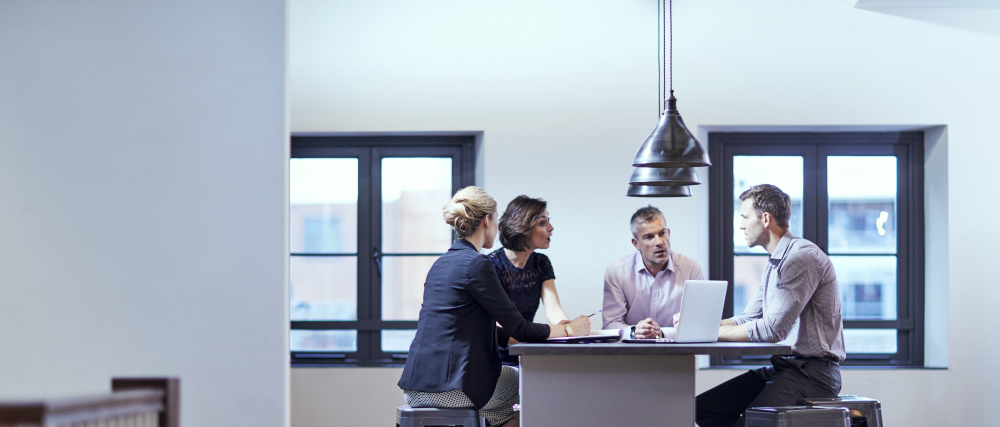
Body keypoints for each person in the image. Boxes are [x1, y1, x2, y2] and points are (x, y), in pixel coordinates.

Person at [398, 186, 591, 427]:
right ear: (487, 220)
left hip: (415, 386)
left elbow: (471, 328)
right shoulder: (478, 264)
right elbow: (519, 328)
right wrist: (570, 330)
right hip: (453, 388)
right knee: (533, 382)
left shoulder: (442, 263)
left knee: (506, 409)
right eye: (496, 218)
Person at [694, 184, 846, 427]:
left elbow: (773, 329)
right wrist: (697, 326)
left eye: (744, 217)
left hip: (812, 375)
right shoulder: (775, 262)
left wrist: (708, 332)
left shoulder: (800, 257)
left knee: (749, 422)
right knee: (702, 409)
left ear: (765, 219)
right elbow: (747, 319)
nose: (741, 225)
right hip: (786, 368)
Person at [487, 196, 571, 364]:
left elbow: (553, 309)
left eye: (548, 221)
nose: (551, 228)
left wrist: (568, 328)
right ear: (522, 227)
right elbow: (496, 324)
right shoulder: (490, 265)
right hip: (497, 356)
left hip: (527, 349)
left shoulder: (541, 262)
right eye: (542, 223)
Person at [602, 205, 704, 339]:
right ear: (636, 244)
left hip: (677, 354)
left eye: (662, 233)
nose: (659, 242)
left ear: (669, 233)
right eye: (649, 237)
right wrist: (634, 332)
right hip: (629, 353)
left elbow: (699, 325)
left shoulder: (691, 269)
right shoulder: (617, 271)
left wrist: (662, 333)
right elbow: (610, 324)